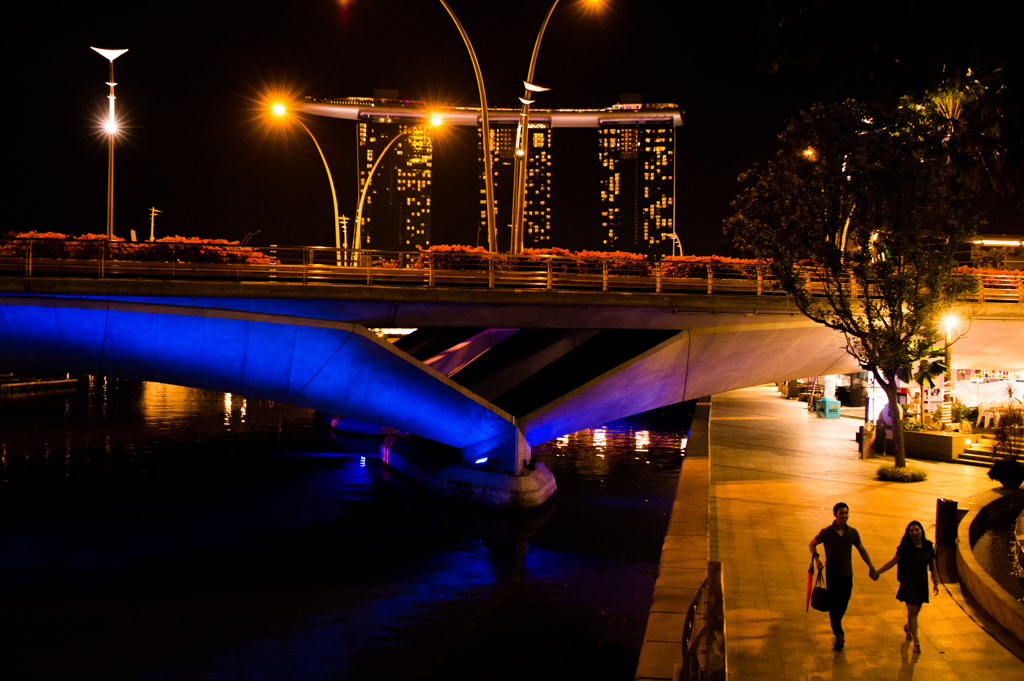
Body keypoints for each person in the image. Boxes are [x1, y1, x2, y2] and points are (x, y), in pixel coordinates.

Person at [809, 502, 878, 651]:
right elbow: (812, 544)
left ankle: (836, 625)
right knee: (834, 606)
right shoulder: (826, 532)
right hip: (832, 575)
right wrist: (817, 559)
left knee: (843, 604)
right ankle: (839, 634)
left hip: (847, 576)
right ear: (835, 514)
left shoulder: (852, 533)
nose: (844, 516)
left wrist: (871, 567)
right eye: (841, 513)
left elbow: (862, 550)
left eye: (846, 513)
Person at [873, 520, 939, 654]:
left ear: (921, 530)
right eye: (911, 530)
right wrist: (878, 572)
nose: (914, 532)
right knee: (912, 611)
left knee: (915, 612)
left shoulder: (928, 546)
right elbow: (892, 562)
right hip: (908, 583)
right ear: (908, 533)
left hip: (922, 583)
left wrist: (936, 582)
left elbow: (933, 566)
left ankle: (908, 627)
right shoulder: (905, 547)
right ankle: (916, 642)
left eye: (916, 529)